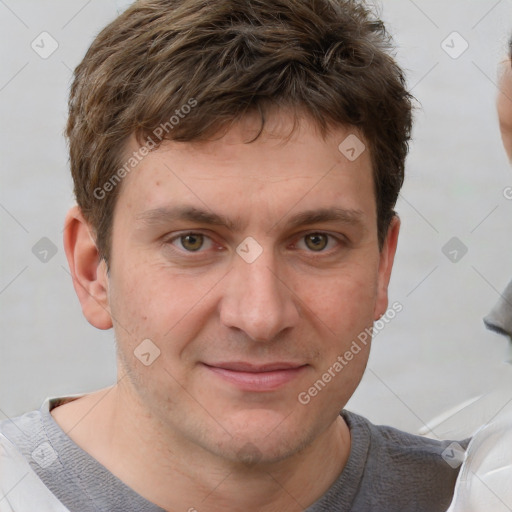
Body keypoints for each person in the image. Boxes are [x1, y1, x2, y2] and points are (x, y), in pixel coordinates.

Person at [0, 0, 468, 510]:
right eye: (193, 241)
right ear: (93, 270)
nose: (261, 316)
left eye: (316, 240)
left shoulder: (476, 496)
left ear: (382, 265)